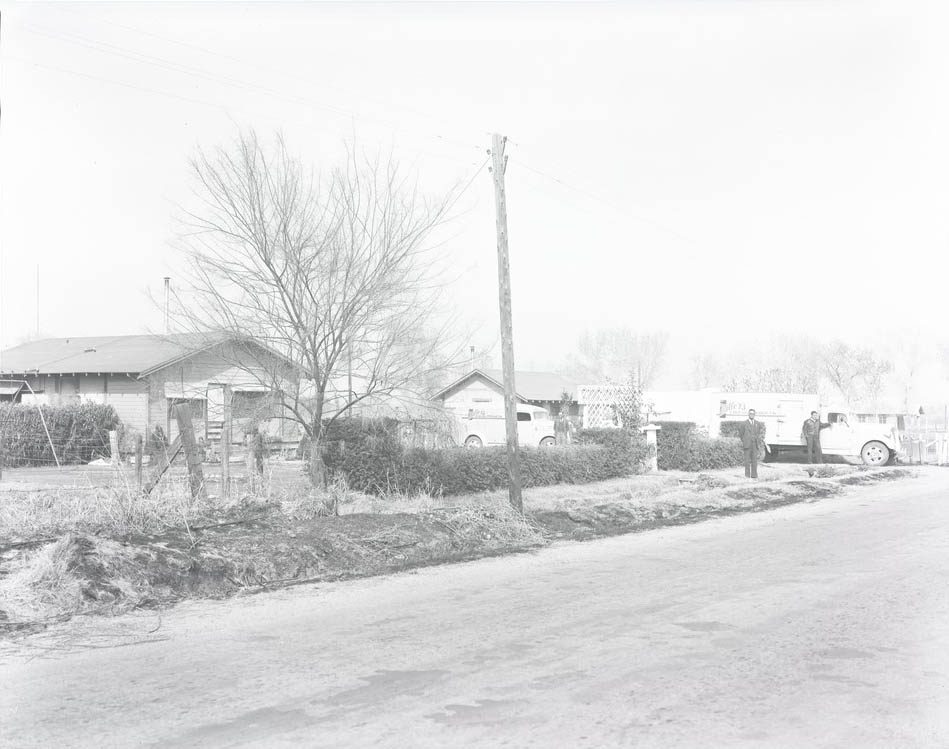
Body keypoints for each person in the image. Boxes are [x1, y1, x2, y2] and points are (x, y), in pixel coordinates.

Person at [738, 408, 768, 478]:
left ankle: (754, 475)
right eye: (750, 413)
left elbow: (758, 433)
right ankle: (747, 475)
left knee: (754, 460)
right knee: (747, 460)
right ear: (748, 414)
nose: (751, 415)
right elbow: (741, 434)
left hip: (755, 444)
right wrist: (745, 441)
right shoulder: (744, 423)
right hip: (747, 444)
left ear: (754, 415)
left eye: (753, 414)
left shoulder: (757, 423)